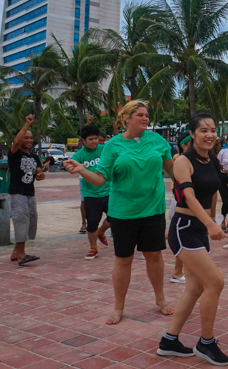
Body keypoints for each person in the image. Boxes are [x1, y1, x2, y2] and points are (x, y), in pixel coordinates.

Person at [64, 100, 175, 325]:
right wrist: (82, 170)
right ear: (126, 118)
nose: (145, 118)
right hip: (123, 212)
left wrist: (188, 192)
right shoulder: (113, 146)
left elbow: (173, 172)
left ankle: (160, 299)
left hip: (153, 209)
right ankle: (119, 307)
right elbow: (100, 179)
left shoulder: (158, 141)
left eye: (146, 114)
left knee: (154, 256)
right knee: (124, 260)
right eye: (140, 115)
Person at [157, 113, 228, 365]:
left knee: (196, 287)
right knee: (215, 283)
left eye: (213, 129)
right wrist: (211, 223)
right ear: (192, 134)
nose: (209, 134)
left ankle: (169, 341)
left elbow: (211, 195)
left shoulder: (211, 161)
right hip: (184, 227)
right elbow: (188, 196)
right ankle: (206, 343)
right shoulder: (182, 161)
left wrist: (213, 220)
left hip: (199, 228)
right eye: (203, 130)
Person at [8, 115, 46, 266]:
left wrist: (40, 175)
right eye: (26, 137)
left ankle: (16, 252)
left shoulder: (35, 157)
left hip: (30, 193)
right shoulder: (15, 153)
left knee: (30, 220)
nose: (29, 140)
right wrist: (27, 124)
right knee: (21, 221)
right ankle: (21, 255)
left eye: (31, 138)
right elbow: (16, 141)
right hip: (17, 193)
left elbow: (38, 174)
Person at [71, 125, 111, 259]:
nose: (94, 142)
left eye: (96, 139)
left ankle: (101, 231)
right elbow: (71, 165)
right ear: (82, 140)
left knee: (116, 217)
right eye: (90, 139)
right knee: (92, 223)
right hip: (91, 194)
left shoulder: (104, 149)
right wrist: (70, 166)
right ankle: (93, 248)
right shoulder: (79, 155)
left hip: (109, 191)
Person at [167, 132, 192, 284]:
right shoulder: (179, 159)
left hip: (181, 202)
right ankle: (177, 272)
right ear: (184, 145)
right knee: (183, 237)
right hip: (180, 203)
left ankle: (180, 271)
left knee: (181, 236)